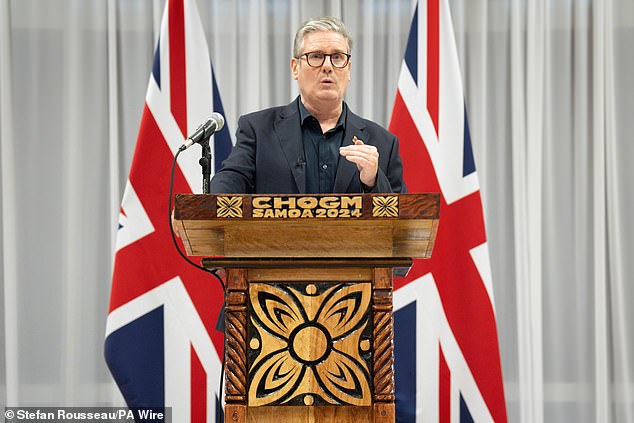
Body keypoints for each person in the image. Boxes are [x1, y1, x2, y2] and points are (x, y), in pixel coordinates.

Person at [211, 16, 406, 194]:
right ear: (295, 68)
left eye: (337, 57)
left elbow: (402, 220)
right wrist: (197, 210)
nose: (328, 66)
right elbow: (229, 181)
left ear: (349, 69)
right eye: (316, 56)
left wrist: (373, 181)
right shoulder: (258, 130)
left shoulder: (383, 143)